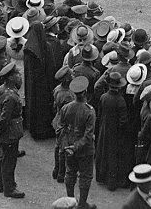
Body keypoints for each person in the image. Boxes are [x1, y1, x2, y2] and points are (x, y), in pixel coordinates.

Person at [57, 76, 97, 209]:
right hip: (84, 149)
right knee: (85, 176)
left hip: (69, 146)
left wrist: (66, 146)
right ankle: (82, 204)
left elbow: (60, 128)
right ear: (85, 92)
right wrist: (75, 147)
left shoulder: (66, 108)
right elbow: (88, 135)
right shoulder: (89, 110)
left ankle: (70, 202)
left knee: (70, 173)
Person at [0, 61, 26, 198]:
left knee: (3, 157)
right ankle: (9, 188)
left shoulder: (1, 89)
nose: (19, 76)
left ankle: (2, 185)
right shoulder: (11, 96)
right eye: (17, 74)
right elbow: (5, 118)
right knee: (9, 161)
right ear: (11, 78)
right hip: (10, 131)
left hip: (4, 130)